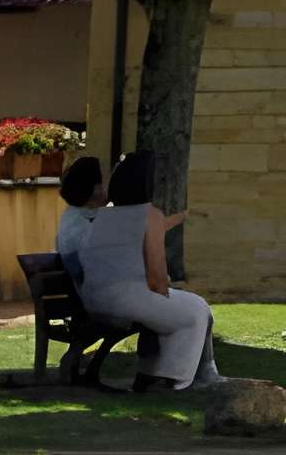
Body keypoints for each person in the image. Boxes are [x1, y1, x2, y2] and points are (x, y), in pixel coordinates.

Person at [57, 154, 218, 392]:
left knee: (182, 307)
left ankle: (157, 373)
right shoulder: (91, 222)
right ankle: (172, 379)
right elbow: (155, 274)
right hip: (112, 299)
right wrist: (163, 291)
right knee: (195, 311)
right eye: (102, 181)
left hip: (99, 294)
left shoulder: (100, 218)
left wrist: (179, 218)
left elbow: (136, 232)